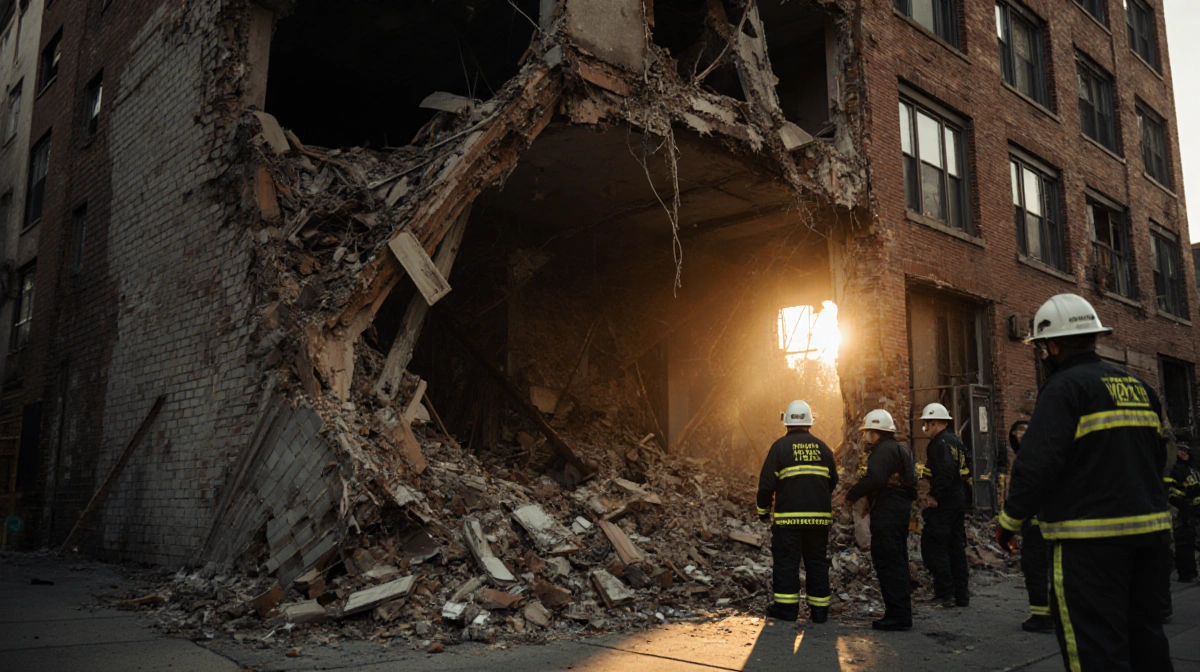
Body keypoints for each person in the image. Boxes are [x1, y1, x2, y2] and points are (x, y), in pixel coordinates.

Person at [995, 293, 1173, 669]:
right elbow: (1161, 458)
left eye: (1043, 348)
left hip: (1089, 544)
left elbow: (1037, 463)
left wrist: (1009, 522)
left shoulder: (1063, 389)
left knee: (1095, 646)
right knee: (1146, 639)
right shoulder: (1139, 388)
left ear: (1053, 345)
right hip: (1150, 537)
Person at [757, 400, 839, 622]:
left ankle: (787, 610)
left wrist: (762, 510)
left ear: (786, 422)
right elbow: (834, 480)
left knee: (786, 563)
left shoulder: (780, 448)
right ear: (810, 422)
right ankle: (820, 611)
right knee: (816, 562)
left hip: (788, 521)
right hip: (819, 520)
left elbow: (766, 484)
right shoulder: (824, 448)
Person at [847, 409, 917, 631]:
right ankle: (900, 612)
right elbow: (912, 483)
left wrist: (852, 494)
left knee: (887, 562)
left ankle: (897, 616)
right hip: (899, 511)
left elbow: (875, 479)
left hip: (887, 513)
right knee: (898, 561)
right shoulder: (901, 450)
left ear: (875, 432)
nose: (866, 436)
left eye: (867, 431)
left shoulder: (882, 451)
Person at [917, 403, 970, 609]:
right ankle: (961, 595)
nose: (925, 427)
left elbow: (946, 471)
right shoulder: (956, 441)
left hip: (945, 501)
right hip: (958, 499)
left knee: (934, 546)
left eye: (926, 423)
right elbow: (964, 470)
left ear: (934, 422)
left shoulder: (938, 443)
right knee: (956, 547)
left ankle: (945, 594)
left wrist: (933, 495)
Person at [1008, 419, 1054, 633]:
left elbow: (1022, 498)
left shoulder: (1028, 462)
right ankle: (1052, 613)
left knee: (1036, 570)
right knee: (1050, 571)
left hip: (1037, 527)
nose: (1020, 436)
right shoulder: (1046, 455)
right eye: (1018, 432)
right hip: (1049, 525)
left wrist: (1007, 528)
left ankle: (1041, 617)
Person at [1165, 443, 1199, 583]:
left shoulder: (1192, 470)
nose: (1183, 453)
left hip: (1196, 512)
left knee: (1191, 543)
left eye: (1185, 451)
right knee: (1184, 543)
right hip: (1185, 511)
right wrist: (1183, 505)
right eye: (1180, 451)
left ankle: (1192, 571)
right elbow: (1172, 492)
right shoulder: (1176, 469)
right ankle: (1185, 573)